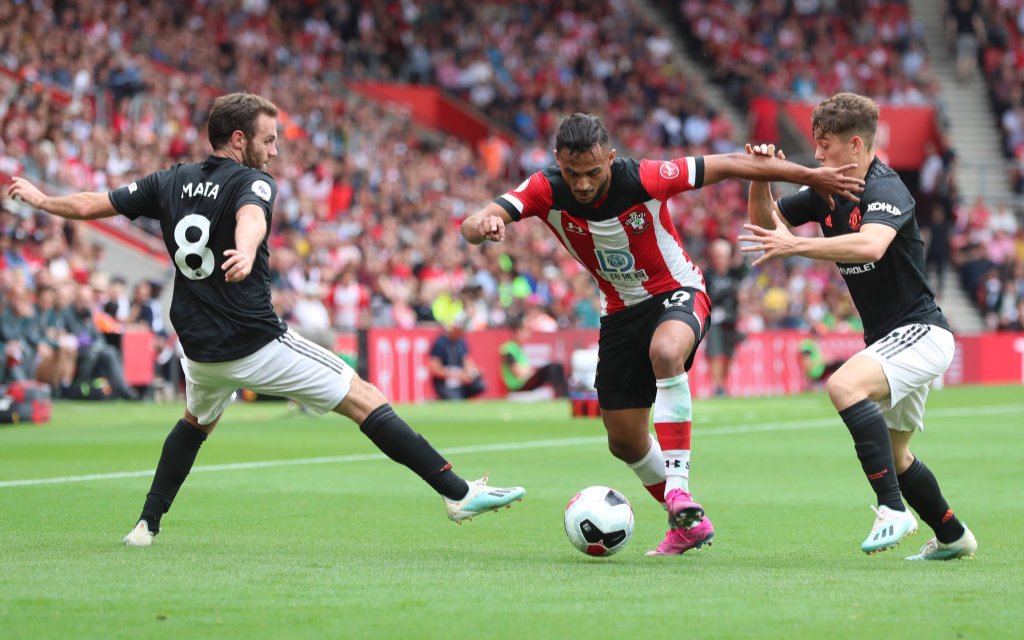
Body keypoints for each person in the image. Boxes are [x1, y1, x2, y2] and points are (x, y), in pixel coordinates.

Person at [8, 92, 524, 547]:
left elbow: (94, 202)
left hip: (200, 353)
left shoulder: (170, 180)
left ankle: (146, 525)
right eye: (269, 140)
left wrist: (40, 199)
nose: (274, 151)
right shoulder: (252, 181)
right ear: (239, 139)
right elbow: (251, 219)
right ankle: (458, 494)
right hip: (256, 344)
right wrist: (247, 250)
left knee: (196, 422)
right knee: (365, 397)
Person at [462, 112, 863, 555]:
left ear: (610, 159)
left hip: (678, 291)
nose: (581, 184)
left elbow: (731, 162)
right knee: (624, 440)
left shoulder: (645, 178)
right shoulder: (544, 188)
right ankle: (689, 525)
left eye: (593, 172)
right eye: (573, 173)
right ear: (559, 161)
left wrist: (811, 176)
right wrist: (484, 226)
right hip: (618, 313)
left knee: (666, 352)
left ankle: (678, 491)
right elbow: (475, 221)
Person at [740, 92, 976, 560]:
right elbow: (767, 226)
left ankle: (892, 510)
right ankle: (953, 536)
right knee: (898, 455)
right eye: (815, 143)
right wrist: (760, 179)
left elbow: (870, 246)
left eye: (825, 145)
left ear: (854, 144)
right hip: (895, 339)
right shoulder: (825, 189)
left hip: (922, 332)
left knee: (844, 385)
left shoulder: (886, 188)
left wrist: (797, 248)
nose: (818, 153)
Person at [703, 239, 747, 397]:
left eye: (724, 256)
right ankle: (717, 387)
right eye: (718, 256)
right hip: (714, 318)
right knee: (715, 352)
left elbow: (742, 293)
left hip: (732, 317)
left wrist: (742, 309)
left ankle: (723, 383)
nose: (721, 260)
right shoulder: (707, 275)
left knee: (728, 353)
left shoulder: (735, 273)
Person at [499, 317, 568, 397]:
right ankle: (561, 394)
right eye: (525, 331)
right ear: (517, 332)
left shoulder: (519, 348)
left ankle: (563, 393)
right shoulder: (509, 348)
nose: (528, 334)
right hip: (518, 385)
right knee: (551, 368)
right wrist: (531, 373)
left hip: (526, 380)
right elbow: (517, 372)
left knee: (557, 366)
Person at [428, 315, 486, 400]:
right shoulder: (440, 342)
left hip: (461, 380)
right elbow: (434, 369)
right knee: (454, 398)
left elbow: (467, 362)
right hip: (446, 382)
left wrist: (473, 372)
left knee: (479, 384)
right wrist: (458, 376)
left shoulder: (462, 342)